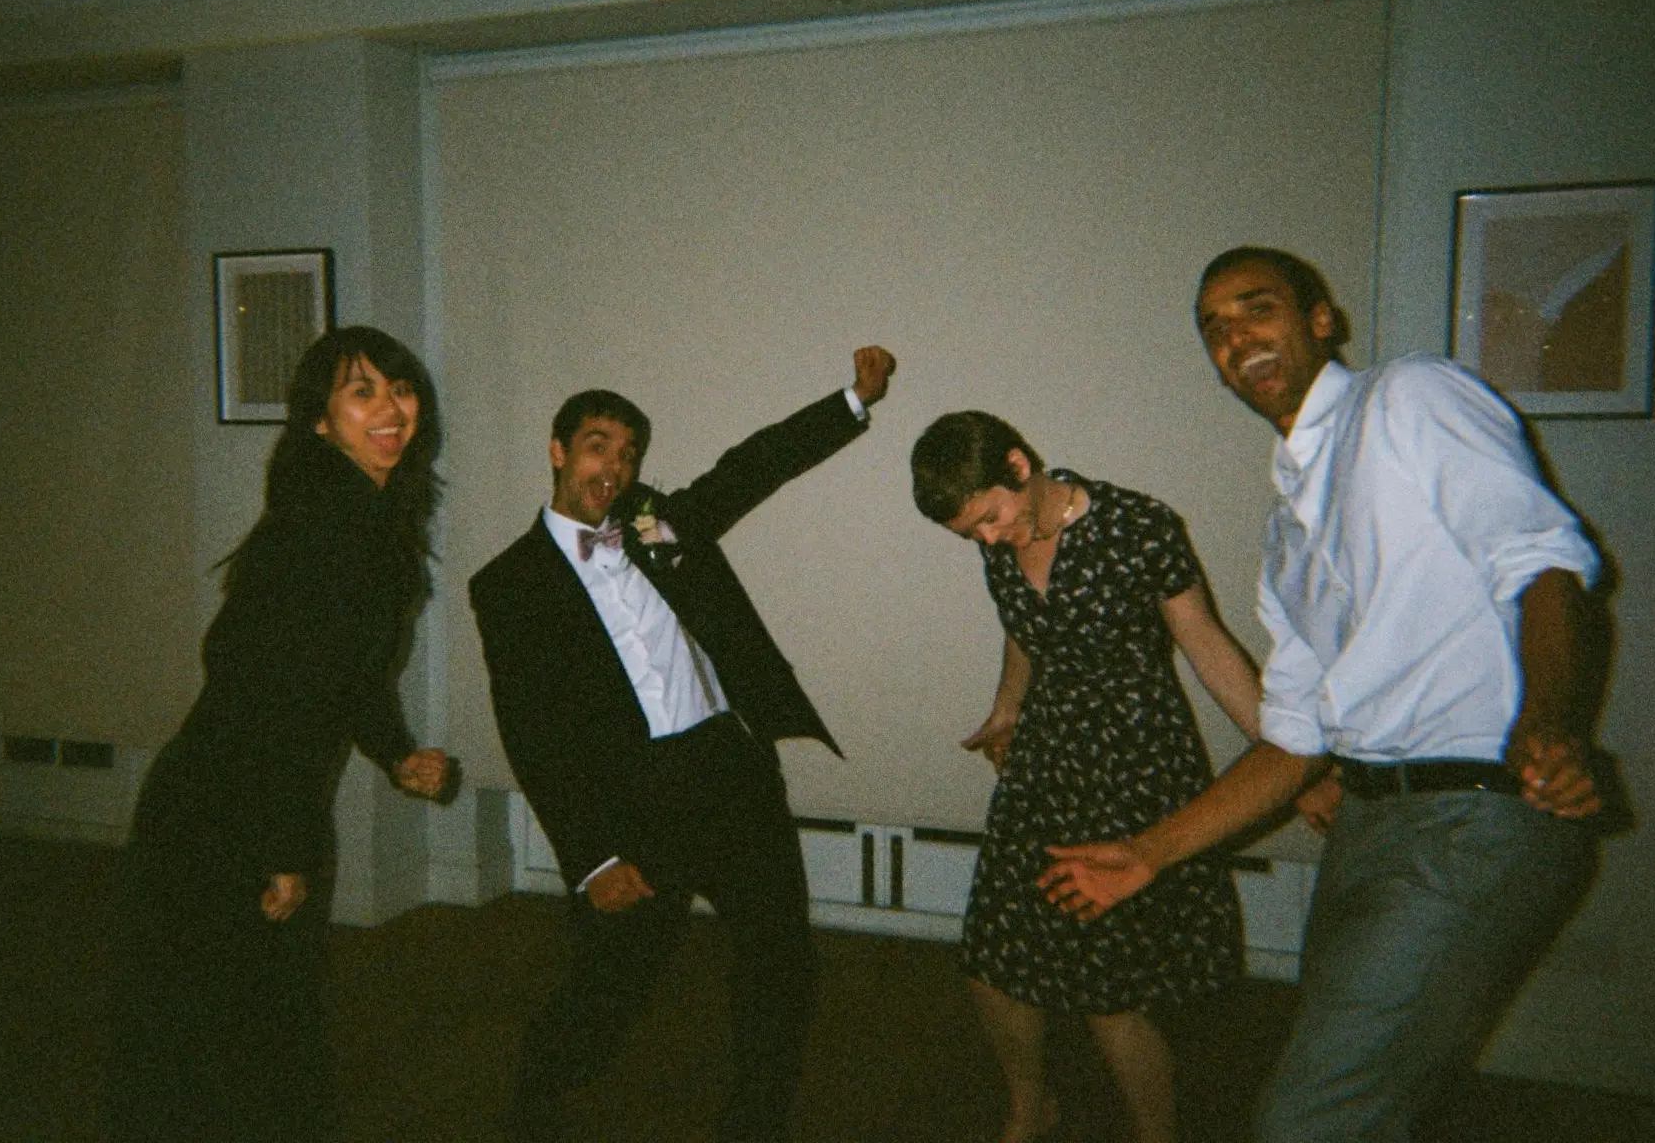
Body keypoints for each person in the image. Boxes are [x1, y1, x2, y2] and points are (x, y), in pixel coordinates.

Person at [1039, 247, 1603, 1143]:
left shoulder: (1409, 398)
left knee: (1309, 1121)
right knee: (1358, 1095)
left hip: (1477, 815)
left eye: (1255, 309)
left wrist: (1550, 725)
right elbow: (1294, 738)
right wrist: (1148, 853)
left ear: (1320, 319)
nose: (1235, 339)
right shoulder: (1286, 530)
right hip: (1368, 826)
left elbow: (1541, 563)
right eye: (1214, 332)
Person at [469, 345, 897, 1143]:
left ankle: (757, 1112)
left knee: (778, 954)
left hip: (726, 764)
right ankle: (537, 1092)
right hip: (633, 800)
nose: (617, 465)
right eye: (600, 445)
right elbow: (530, 731)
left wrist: (850, 401)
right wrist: (590, 856)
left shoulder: (648, 521)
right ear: (559, 451)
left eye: (629, 453)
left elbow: (749, 470)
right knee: (613, 979)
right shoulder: (509, 583)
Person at [103, 326, 455, 1143]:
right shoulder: (332, 526)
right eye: (361, 392)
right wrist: (284, 845)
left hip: (235, 798)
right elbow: (269, 689)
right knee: (227, 1046)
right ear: (320, 422)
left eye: (399, 388)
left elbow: (346, 673)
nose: (391, 409)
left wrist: (397, 753)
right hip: (230, 811)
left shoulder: (357, 513)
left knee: (236, 1037)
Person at [910, 411, 1264, 1143]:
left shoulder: (1141, 526)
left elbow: (1208, 648)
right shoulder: (1002, 543)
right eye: (969, 534)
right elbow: (1024, 632)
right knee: (992, 954)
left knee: (1110, 990)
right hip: (1045, 760)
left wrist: (1294, 758)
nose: (987, 538)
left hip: (1134, 765)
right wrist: (1007, 709)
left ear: (1018, 465)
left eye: (990, 518)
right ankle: (1029, 1107)